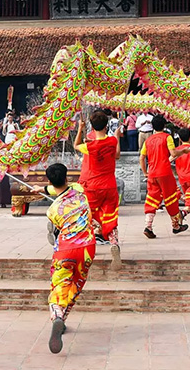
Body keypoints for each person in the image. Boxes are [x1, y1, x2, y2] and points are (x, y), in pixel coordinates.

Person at [31, 163, 95, 354]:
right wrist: (43, 189)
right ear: (67, 177)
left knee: (59, 285)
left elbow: (54, 233)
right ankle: (63, 320)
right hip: (87, 248)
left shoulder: (52, 210)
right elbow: (61, 188)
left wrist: (40, 189)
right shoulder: (79, 191)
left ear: (49, 181)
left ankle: (57, 316)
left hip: (65, 250)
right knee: (76, 284)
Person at [73, 111, 122, 269]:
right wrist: (117, 135)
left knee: (87, 216)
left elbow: (75, 146)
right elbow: (117, 155)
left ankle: (85, 246)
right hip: (109, 185)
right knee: (110, 216)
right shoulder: (113, 141)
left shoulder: (90, 146)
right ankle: (113, 242)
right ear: (106, 125)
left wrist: (80, 129)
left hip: (93, 186)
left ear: (91, 127)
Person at [139, 115, 188, 238]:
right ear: (165, 126)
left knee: (151, 199)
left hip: (152, 173)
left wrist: (145, 172)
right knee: (171, 199)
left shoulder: (148, 140)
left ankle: (148, 226)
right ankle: (176, 226)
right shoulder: (167, 137)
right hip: (165, 172)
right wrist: (183, 151)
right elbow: (173, 153)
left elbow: (142, 157)